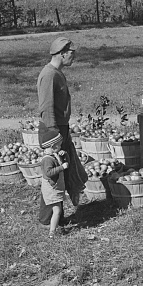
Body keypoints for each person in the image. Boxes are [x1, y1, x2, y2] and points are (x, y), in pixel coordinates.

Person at [37, 36, 86, 209]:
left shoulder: (57, 73)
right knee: (53, 176)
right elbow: (46, 107)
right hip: (53, 131)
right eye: (72, 53)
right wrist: (54, 135)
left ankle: (58, 215)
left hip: (60, 128)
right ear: (62, 53)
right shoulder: (49, 75)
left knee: (63, 172)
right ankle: (48, 218)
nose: (74, 56)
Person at [38, 148, 72, 236]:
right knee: (57, 211)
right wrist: (62, 167)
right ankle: (52, 233)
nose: (57, 148)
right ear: (46, 150)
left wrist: (64, 155)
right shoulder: (47, 159)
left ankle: (54, 231)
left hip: (56, 188)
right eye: (54, 147)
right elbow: (48, 173)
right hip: (51, 189)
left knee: (57, 210)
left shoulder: (54, 156)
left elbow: (66, 164)